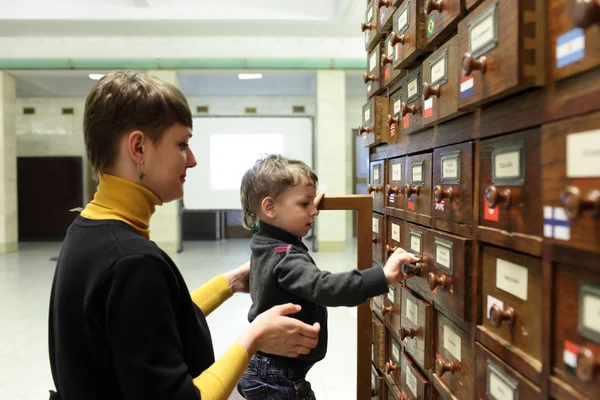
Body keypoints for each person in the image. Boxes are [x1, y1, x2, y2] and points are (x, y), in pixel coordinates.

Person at [47, 71, 322, 400]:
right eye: (182, 144)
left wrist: (230, 283)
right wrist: (254, 338)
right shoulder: (132, 261)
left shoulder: (88, 229)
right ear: (138, 148)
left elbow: (148, 326)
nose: (192, 160)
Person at [237, 155, 421, 400]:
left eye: (313, 202)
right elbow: (325, 287)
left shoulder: (266, 241)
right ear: (269, 208)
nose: (314, 211)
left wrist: (304, 206)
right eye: (304, 205)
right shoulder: (286, 259)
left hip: (269, 369)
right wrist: (383, 276)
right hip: (277, 378)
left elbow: (284, 231)